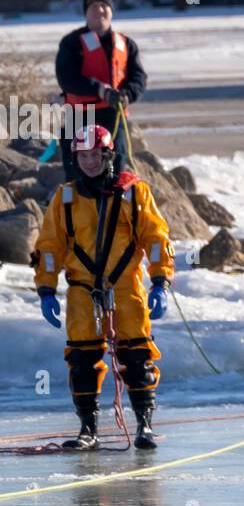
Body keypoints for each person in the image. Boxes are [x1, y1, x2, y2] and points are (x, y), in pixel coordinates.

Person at [32, 125, 174, 451]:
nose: (90, 162)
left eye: (95, 154)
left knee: (137, 355)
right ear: (76, 158)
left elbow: (155, 239)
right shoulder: (65, 198)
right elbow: (49, 247)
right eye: (83, 155)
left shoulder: (134, 193)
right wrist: (46, 290)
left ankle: (145, 426)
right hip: (82, 288)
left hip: (125, 286)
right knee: (82, 358)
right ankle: (88, 429)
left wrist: (160, 282)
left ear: (107, 154)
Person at [55, 0, 147, 180]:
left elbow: (139, 77)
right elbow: (67, 78)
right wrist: (100, 90)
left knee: (115, 170)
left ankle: (111, 207)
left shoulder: (126, 44)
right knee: (77, 173)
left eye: (104, 5)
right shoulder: (71, 43)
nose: (99, 10)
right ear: (86, 13)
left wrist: (127, 95)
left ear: (111, 11)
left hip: (113, 115)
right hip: (79, 117)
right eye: (93, 6)